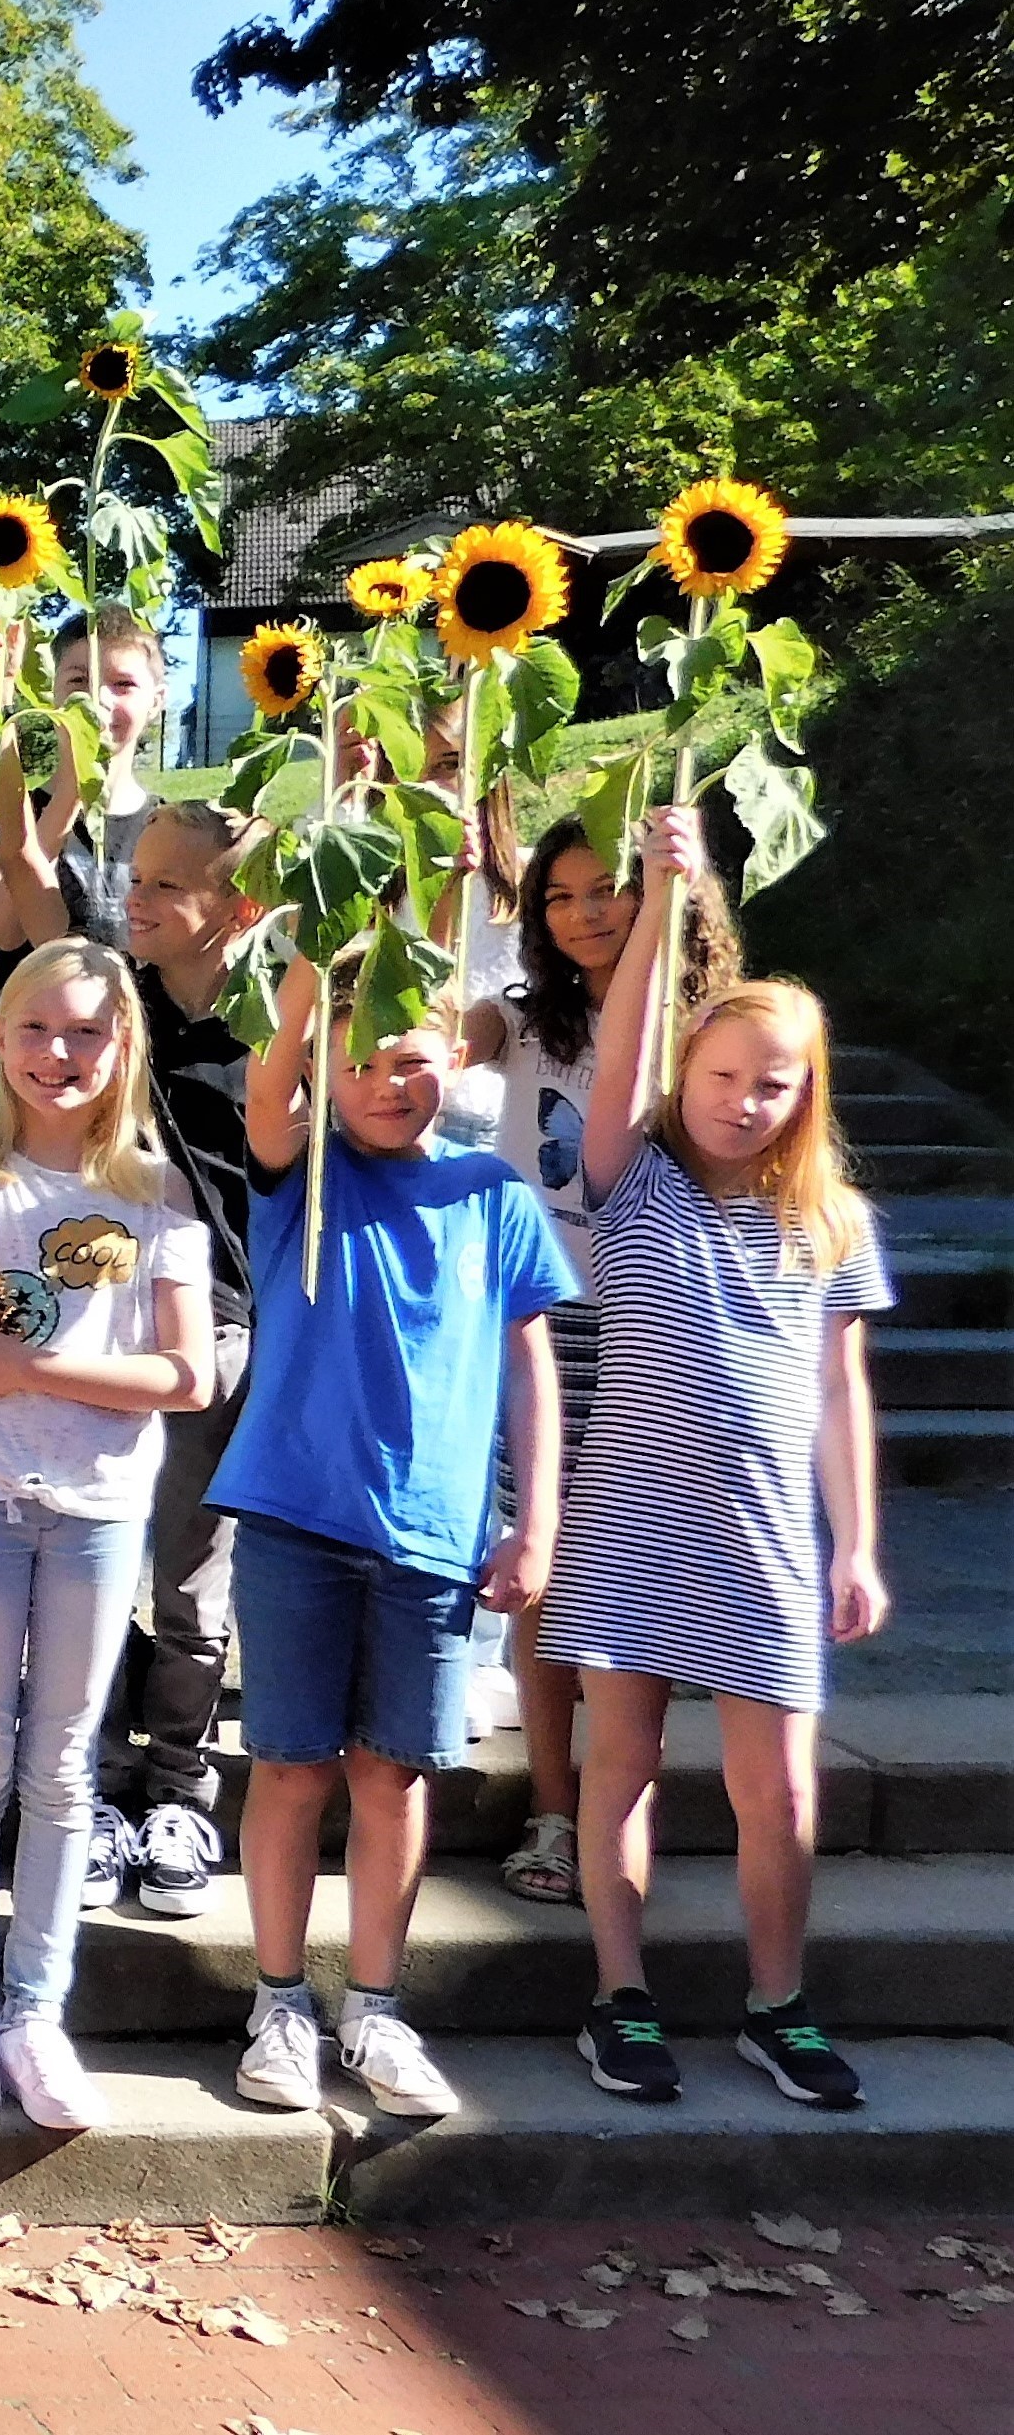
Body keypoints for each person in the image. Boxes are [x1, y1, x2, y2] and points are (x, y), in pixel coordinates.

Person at [551, 807, 891, 2111]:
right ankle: (621, 1994)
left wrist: (854, 1540)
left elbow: (836, 1387)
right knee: (619, 1762)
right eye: (724, 1076)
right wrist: (655, 899)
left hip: (764, 1536)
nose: (746, 1103)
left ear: (809, 1094)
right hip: (631, 1517)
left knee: (780, 1786)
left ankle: (777, 2003)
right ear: (680, 1074)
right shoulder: (630, 1178)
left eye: (776, 1083)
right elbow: (628, 1035)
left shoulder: (828, 1216)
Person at [212, 954, 576, 2121]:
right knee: (287, 1764)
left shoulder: (493, 1196)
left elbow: (530, 1363)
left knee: (393, 1773)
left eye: (409, 1057)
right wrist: (307, 997)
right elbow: (268, 1107)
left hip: (431, 1532)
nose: (384, 1081)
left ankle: (375, 2002)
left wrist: (536, 1519)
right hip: (293, 1514)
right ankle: (277, 1998)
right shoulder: (301, 1175)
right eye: (356, 1061)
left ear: (453, 1060)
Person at [0, 946, 212, 2129]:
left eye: (85, 1034)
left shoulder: (157, 1194)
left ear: (123, 1047)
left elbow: (187, 1373)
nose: (57, 1056)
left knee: (62, 1765)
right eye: (33, 1030)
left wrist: (30, 1365)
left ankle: (37, 2007)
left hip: (98, 1508)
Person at [463, 816, 738, 1909]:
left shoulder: (707, 1031)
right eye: (561, 895)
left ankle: (623, 1800)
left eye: (609, 890)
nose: (584, 912)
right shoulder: (528, 1021)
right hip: (546, 1321)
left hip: (665, 1323)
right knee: (542, 1567)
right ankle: (552, 1806)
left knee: (635, 1566)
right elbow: (456, 1030)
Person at [80, 803, 268, 1920]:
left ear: (235, 912)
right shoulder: (112, 1018)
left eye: (163, 887)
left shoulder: (276, 1027)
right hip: (108, 1321)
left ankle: (177, 1785)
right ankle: (96, 1780)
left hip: (228, 1326)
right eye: (131, 879)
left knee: (194, 1577)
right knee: (96, 1558)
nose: (133, 900)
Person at [0, 606, 172, 953]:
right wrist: (71, 792)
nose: (98, 700)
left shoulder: (169, 828)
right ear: (54, 694)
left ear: (156, 701)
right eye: (78, 681)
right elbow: (2, 930)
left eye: (123, 684)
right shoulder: (13, 807)